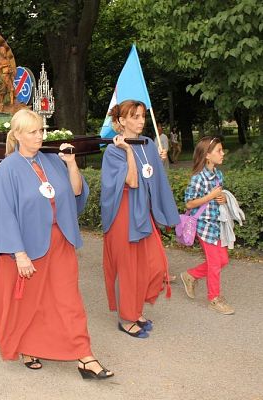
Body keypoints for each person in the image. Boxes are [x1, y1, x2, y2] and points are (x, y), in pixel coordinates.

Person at [0, 109, 114, 379]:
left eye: (41, 130)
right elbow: (3, 214)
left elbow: (76, 191)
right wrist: (19, 254)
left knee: (69, 300)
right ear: (18, 135)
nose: (40, 136)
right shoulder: (8, 168)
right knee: (30, 302)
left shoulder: (53, 160)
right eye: (33, 132)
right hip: (27, 247)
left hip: (60, 241)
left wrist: (71, 163)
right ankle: (27, 345)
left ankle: (84, 355)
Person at [100, 100, 180, 338]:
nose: (141, 121)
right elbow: (132, 180)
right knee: (128, 268)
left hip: (143, 212)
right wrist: (126, 150)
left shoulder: (147, 143)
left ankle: (136, 309)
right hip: (123, 213)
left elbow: (154, 178)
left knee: (153, 265)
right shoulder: (114, 151)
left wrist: (159, 158)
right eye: (134, 116)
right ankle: (127, 318)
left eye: (142, 116)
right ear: (121, 121)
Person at [180, 137, 234, 315]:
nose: (223, 153)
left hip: (217, 225)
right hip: (204, 227)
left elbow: (220, 196)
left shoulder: (218, 175)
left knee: (223, 260)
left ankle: (191, 275)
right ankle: (214, 298)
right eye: (219, 150)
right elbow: (189, 204)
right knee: (215, 263)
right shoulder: (198, 178)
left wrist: (222, 198)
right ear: (207, 156)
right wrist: (210, 196)